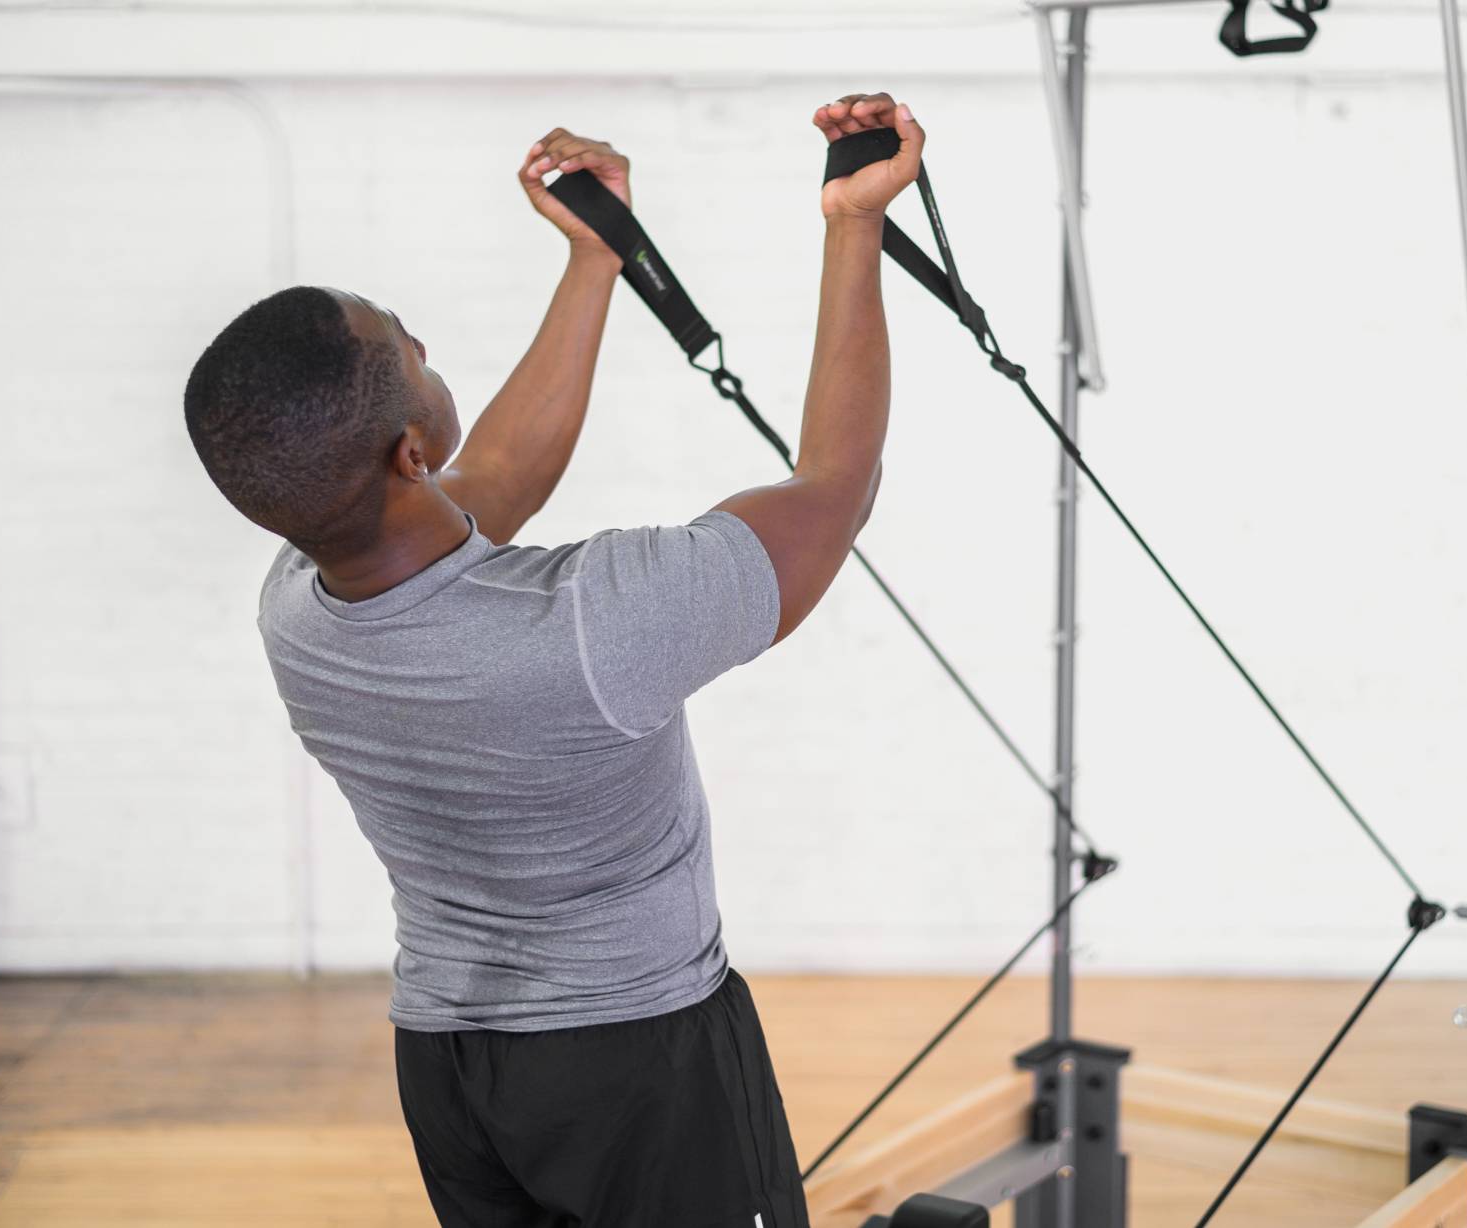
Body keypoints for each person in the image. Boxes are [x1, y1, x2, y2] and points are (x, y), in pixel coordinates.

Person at [182, 91, 923, 1228]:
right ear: (410, 451)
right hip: (636, 1064)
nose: (420, 339)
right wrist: (855, 224)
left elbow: (491, 481)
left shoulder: (302, 607)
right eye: (399, 340)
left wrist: (595, 258)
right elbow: (833, 486)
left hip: (450, 1060)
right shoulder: (591, 625)